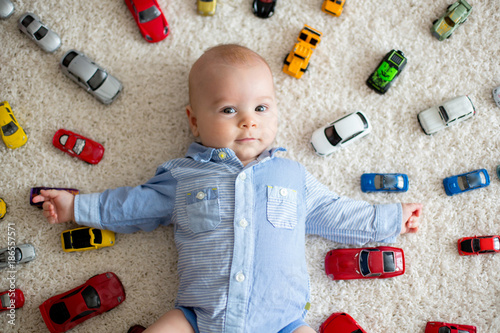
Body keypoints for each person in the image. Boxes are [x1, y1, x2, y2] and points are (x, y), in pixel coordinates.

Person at [34, 44, 423, 333]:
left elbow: (334, 213)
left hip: (282, 322)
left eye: (261, 108)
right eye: (228, 110)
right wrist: (77, 207)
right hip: (197, 317)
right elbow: (135, 204)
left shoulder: (291, 175)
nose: (248, 122)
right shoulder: (184, 175)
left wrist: (390, 219)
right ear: (194, 122)